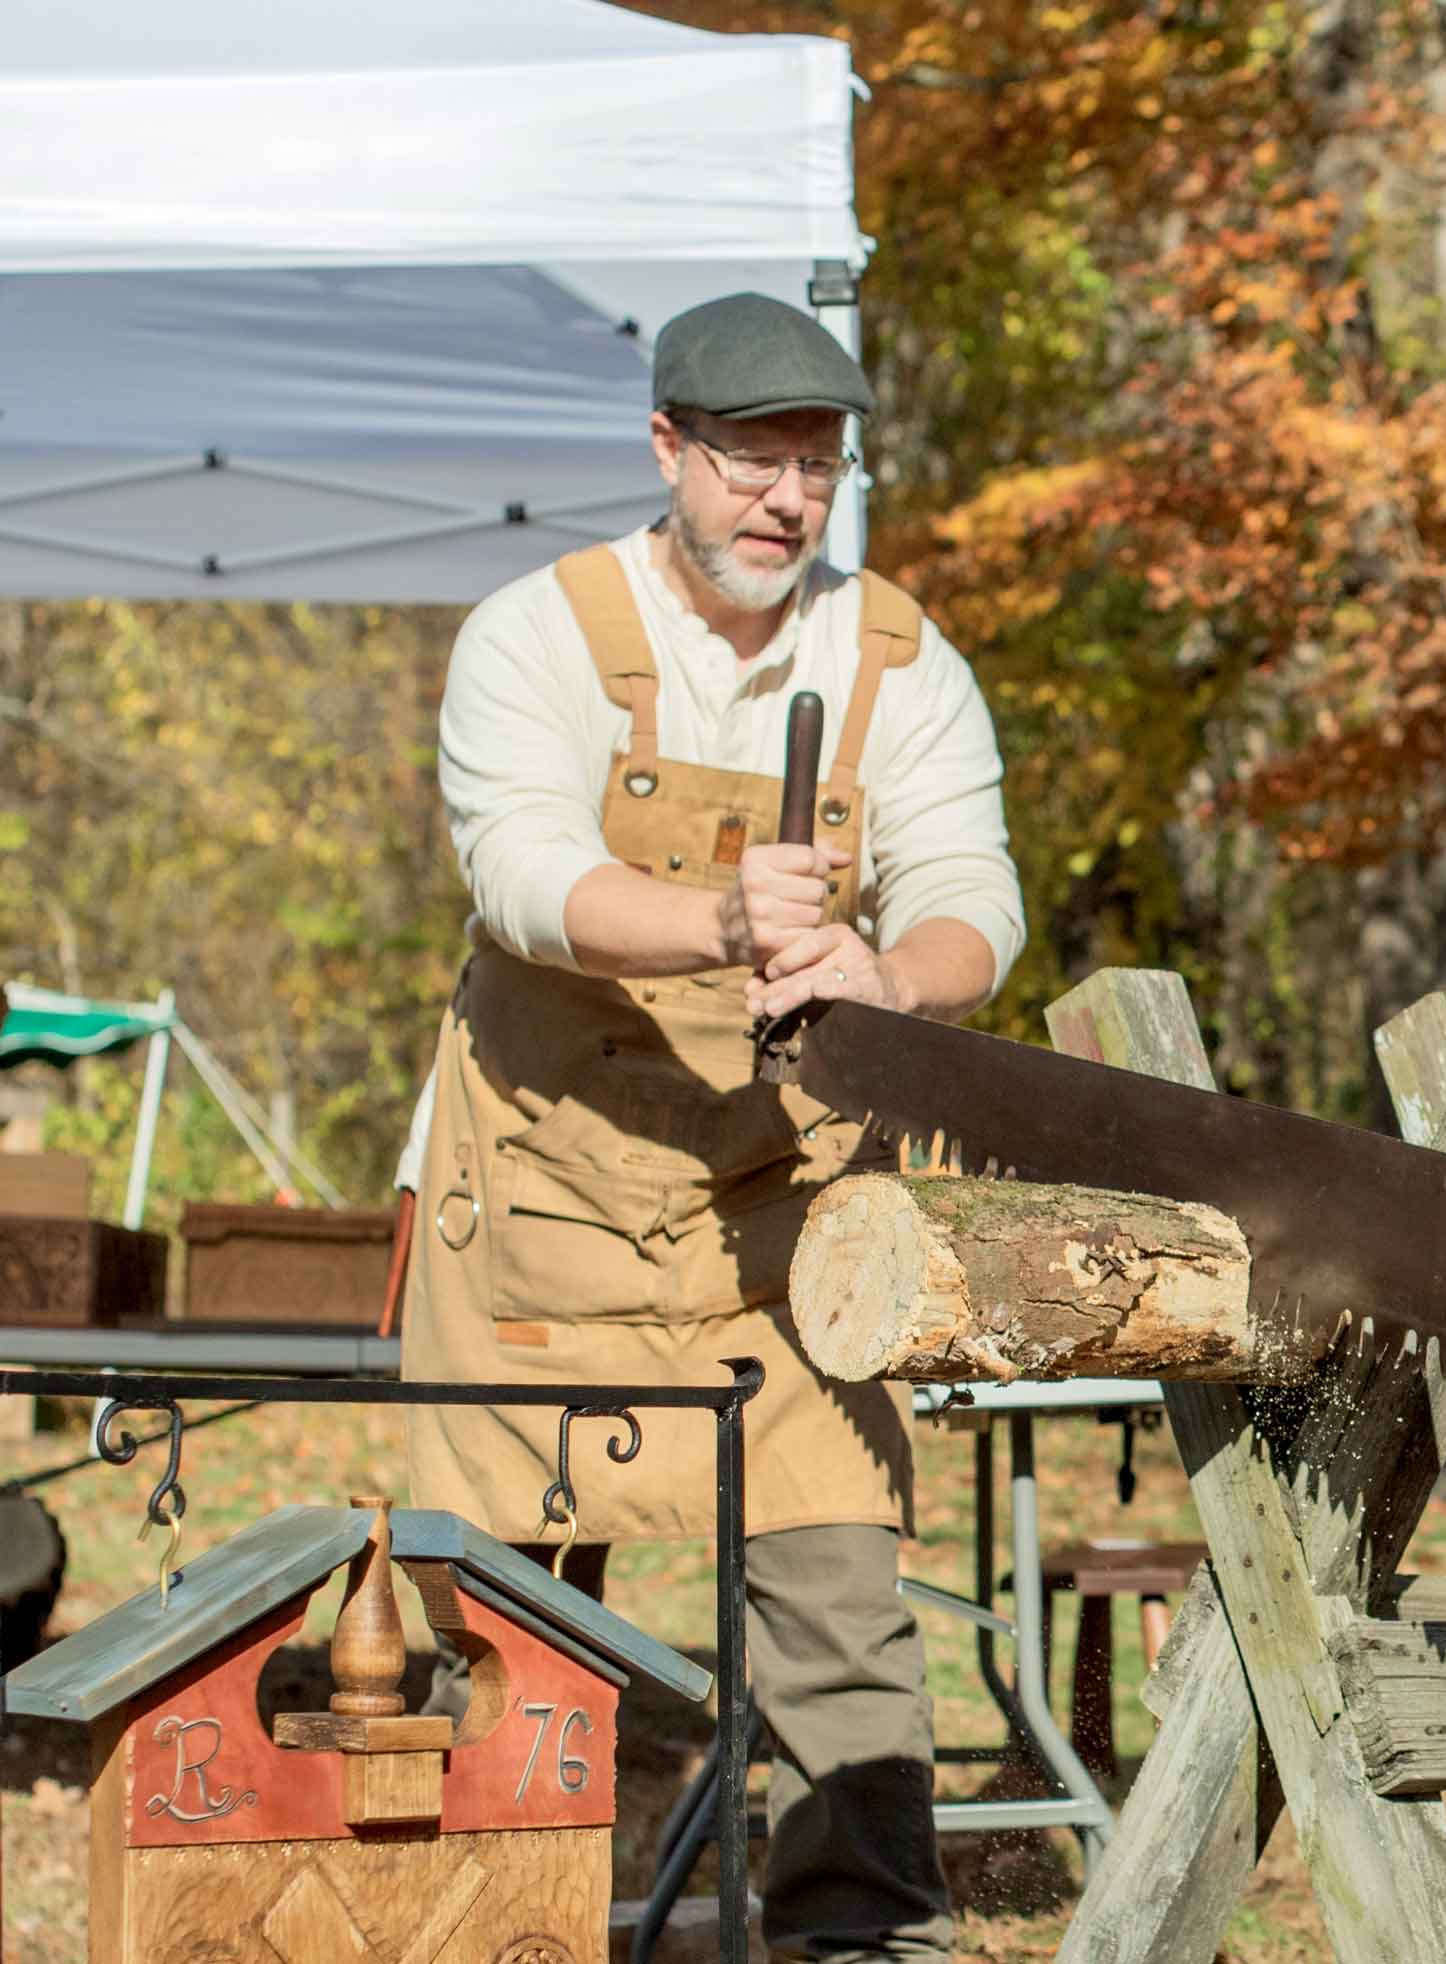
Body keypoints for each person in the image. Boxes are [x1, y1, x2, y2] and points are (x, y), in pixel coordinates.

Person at [400, 292, 1024, 1963]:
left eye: (815, 469)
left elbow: (976, 891)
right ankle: (490, 1925)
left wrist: (890, 970)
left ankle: (867, 1940)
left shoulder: (896, 656)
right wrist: (720, 925)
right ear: (667, 448)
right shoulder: (537, 632)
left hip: (776, 1215)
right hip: (546, 1188)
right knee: (510, 1616)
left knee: (838, 1606)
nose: (786, 504)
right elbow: (520, 873)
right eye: (752, 462)